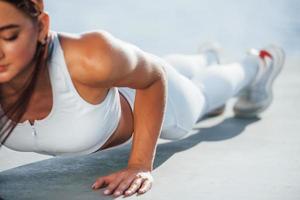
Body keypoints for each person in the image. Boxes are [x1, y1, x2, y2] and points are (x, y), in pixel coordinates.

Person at [0, 0, 285, 198]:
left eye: (9, 36)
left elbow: (153, 77)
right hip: (124, 76)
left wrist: (139, 165)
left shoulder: (88, 54)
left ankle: (258, 63)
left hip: (151, 96)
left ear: (41, 28)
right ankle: (206, 57)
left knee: (200, 96)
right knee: (165, 67)